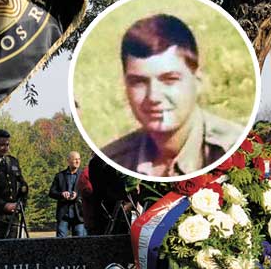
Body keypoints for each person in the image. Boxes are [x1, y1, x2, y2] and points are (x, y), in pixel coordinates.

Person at [102, 14, 243, 177]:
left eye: (169, 79)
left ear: (197, 82)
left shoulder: (234, 150)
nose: (153, 97)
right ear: (125, 87)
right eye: (139, 82)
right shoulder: (111, 162)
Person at [49, 151, 86, 237]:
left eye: (79, 159)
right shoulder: (59, 176)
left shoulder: (84, 176)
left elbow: (88, 192)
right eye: (75, 159)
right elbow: (51, 193)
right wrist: (62, 194)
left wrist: (78, 196)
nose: (77, 161)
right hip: (63, 216)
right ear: (68, 161)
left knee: (80, 244)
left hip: (79, 215)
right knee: (61, 244)